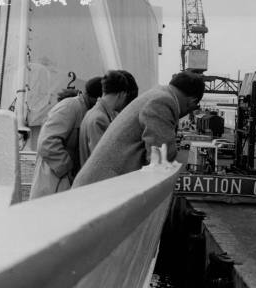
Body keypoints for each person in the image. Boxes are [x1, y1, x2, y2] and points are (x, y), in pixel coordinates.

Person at [72, 71, 204, 188]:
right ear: (192, 101)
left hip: (98, 185)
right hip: (102, 189)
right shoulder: (164, 101)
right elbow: (161, 157)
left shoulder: (156, 94)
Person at [29, 76, 103, 199]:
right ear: (98, 98)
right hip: (55, 182)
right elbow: (47, 142)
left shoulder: (81, 109)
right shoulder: (70, 106)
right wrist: (68, 169)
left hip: (61, 181)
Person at [78, 70, 138, 166]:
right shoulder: (99, 119)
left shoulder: (92, 113)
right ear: (122, 94)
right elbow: (103, 160)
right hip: (98, 179)